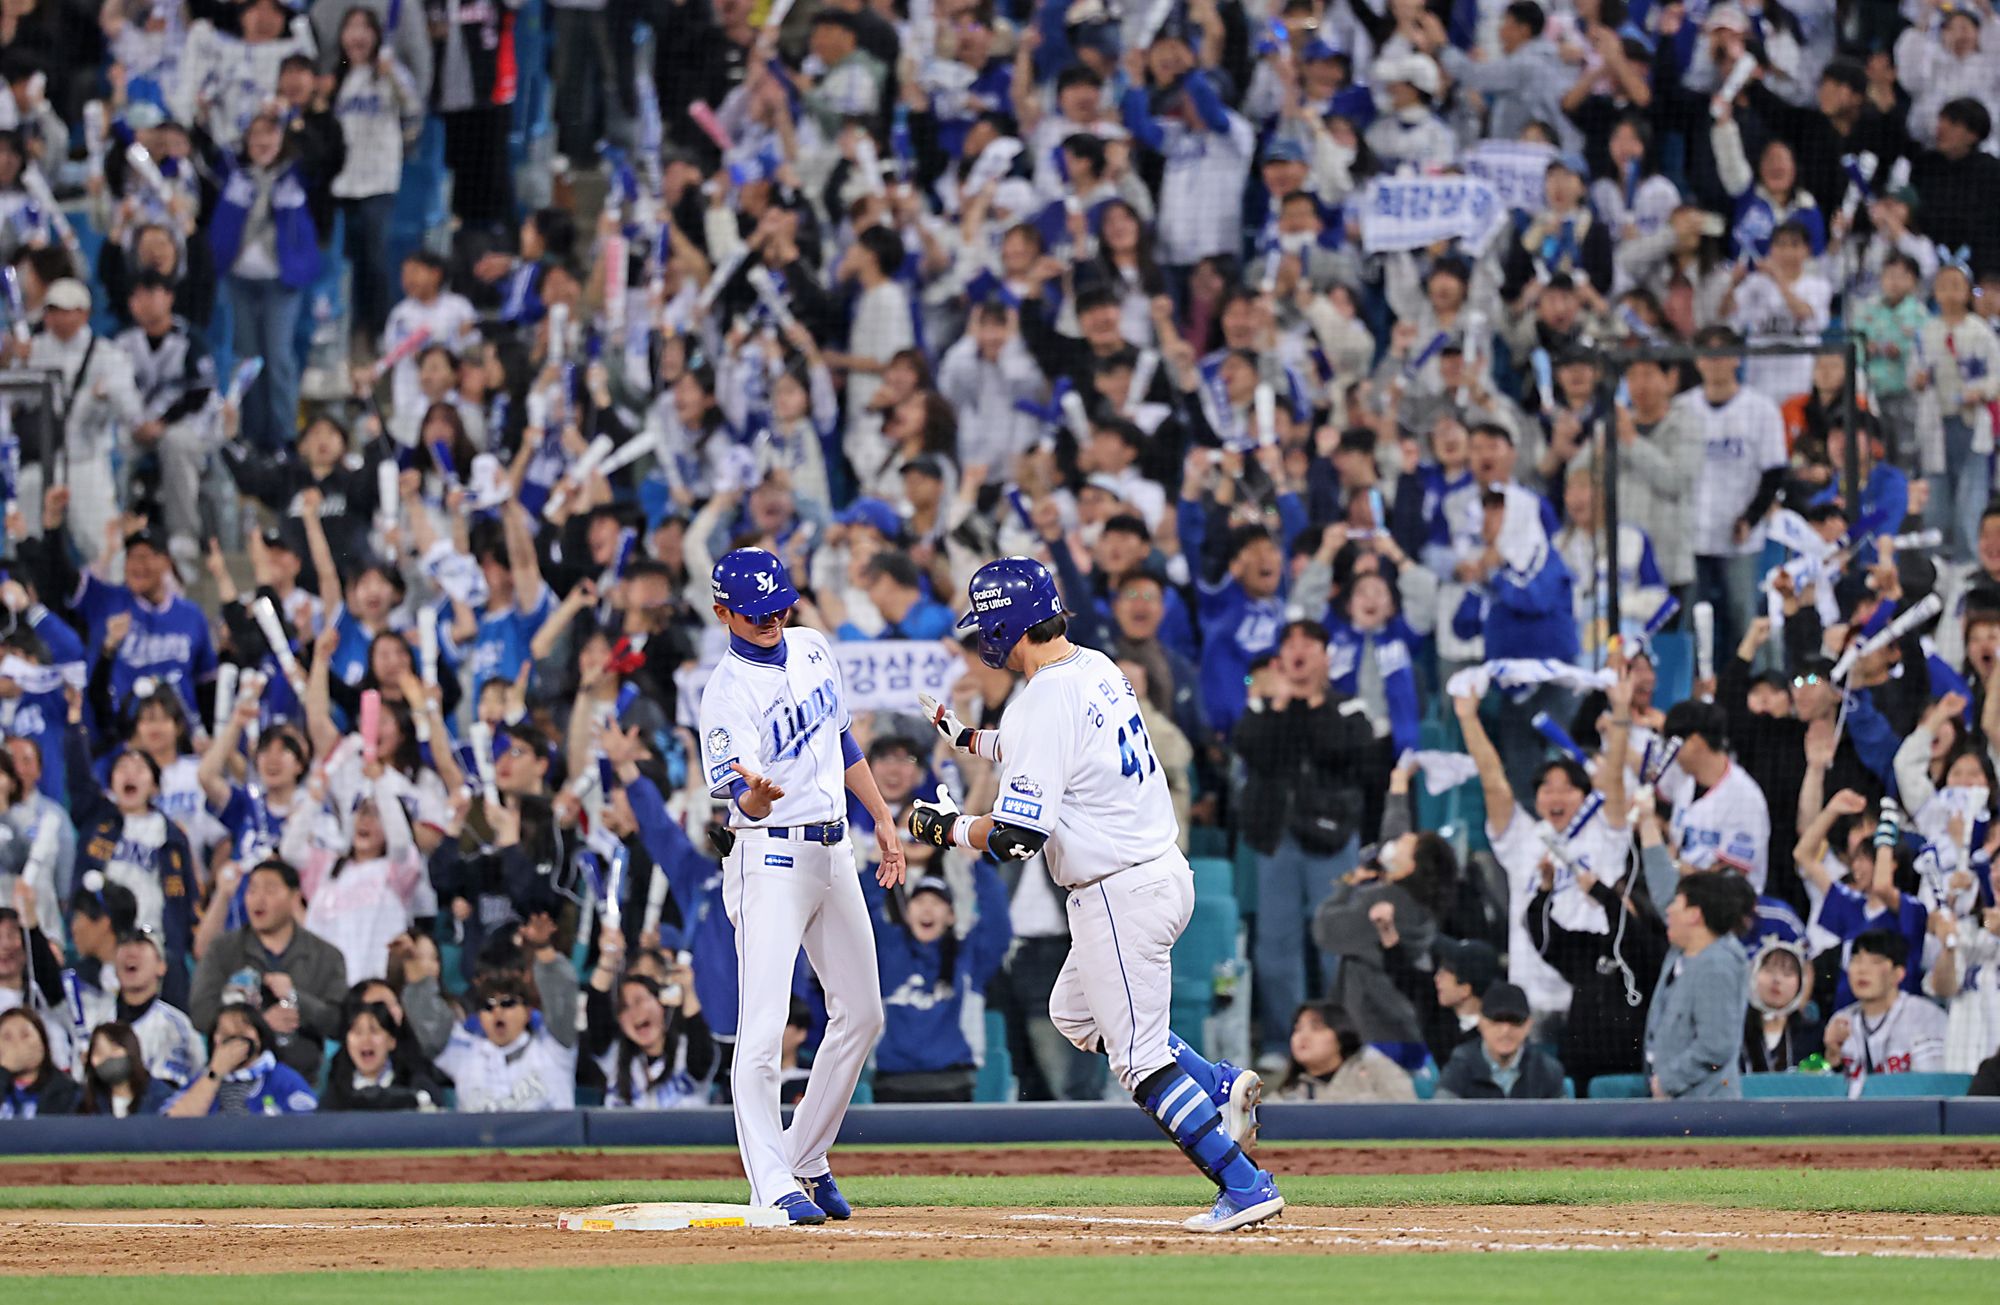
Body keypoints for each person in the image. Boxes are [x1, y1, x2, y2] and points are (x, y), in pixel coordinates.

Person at [911, 555, 1282, 1233]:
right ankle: (1218, 1084)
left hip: (1116, 891)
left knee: (1139, 1064)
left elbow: (1020, 834)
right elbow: (1046, 745)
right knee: (1077, 1016)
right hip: (1159, 871)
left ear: (1004, 625)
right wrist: (964, 736)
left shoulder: (1042, 699)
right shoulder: (1095, 665)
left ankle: (1243, 1181)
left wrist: (946, 827)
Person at [695, 547, 906, 1224]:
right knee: (761, 1030)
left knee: (864, 1011)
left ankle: (805, 1154)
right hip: (771, 858)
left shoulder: (813, 645)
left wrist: (882, 817)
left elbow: (842, 741)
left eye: (779, 606)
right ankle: (771, 1183)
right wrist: (753, 798)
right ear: (723, 611)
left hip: (834, 846)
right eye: (755, 612)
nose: (770, 619)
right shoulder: (725, 693)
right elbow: (740, 803)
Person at [1236, 621, 1374, 1065]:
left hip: (1332, 837)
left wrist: (1311, 705)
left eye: (1308, 644)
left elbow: (1343, 752)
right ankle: (1283, 1042)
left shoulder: (1348, 705)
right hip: (1277, 838)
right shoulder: (1265, 708)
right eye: (1289, 644)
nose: (1298, 652)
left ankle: (1342, 1042)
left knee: (1337, 942)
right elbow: (1255, 753)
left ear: (1325, 655)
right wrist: (1278, 704)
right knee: (1276, 945)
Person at [187, 860, 349, 1084]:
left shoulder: (327, 956)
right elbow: (201, 1013)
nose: (258, 899)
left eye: (270, 890)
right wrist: (257, 1024)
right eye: (252, 890)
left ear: (294, 898)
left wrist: (296, 998)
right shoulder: (223, 949)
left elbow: (339, 1023)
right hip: (232, 1079)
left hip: (301, 1081)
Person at [865, 865, 1011, 1103]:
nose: (927, 908)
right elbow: (865, 914)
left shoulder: (968, 959)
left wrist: (976, 864)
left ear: (951, 915)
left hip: (953, 1082)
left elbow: (997, 925)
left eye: (937, 902)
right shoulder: (887, 955)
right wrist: (877, 864)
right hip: (891, 1081)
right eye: (919, 901)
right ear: (906, 912)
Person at [1644, 872, 1754, 1100]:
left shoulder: (1717, 966)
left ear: (1694, 915)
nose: (1668, 909)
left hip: (1706, 1112)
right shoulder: (1681, 955)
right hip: (1681, 1104)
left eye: (1676, 903)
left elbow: (1716, 1046)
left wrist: (1668, 1081)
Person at [1823, 929, 1948, 1094]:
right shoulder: (1841, 1021)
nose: (1862, 970)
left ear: (1898, 973)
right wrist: (1832, 1055)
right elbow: (1829, 1094)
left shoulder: (1926, 1017)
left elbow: (1932, 1088)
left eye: (1875, 962)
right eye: (1856, 960)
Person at [165, 1002, 319, 1116]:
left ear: (260, 1038)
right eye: (225, 1034)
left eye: (241, 1032)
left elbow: (308, 1125)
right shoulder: (202, 1081)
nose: (233, 1041)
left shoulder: (284, 1079)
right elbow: (172, 1124)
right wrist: (215, 1073)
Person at [1434, 981, 1568, 1100]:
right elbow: (1442, 1119)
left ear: (1528, 1025)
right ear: (1481, 1023)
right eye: (1496, 1021)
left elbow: (1563, 1123)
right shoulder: (1460, 1065)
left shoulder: (1547, 1069)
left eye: (1515, 1021)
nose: (1505, 1030)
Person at [320, 991, 449, 1111]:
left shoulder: (418, 1085)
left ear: (392, 1041)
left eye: (374, 1031)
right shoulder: (335, 1093)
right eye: (357, 1032)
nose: (366, 1040)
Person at [1276, 1001, 1416, 1102]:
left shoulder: (1374, 1068)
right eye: (1297, 1029)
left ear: (1341, 1035)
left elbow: (1408, 1110)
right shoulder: (1288, 1091)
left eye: (1316, 1028)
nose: (1302, 1036)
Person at [75, 1021, 177, 1117]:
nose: (108, 1057)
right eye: (99, 1053)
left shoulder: (162, 1096)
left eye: (115, 1049)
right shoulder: (84, 1102)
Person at [0, 1006, 77, 1118]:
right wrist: (3, 1072)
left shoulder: (69, 1092)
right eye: (7, 1037)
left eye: (25, 1035)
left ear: (43, 1043)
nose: (17, 1044)